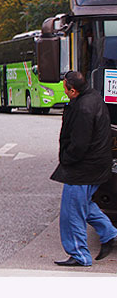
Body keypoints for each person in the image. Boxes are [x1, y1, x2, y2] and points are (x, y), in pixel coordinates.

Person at [51, 70, 117, 267]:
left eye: (65, 88)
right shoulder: (94, 97)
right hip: (96, 165)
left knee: (71, 212)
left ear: (72, 90)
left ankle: (79, 255)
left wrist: (67, 160)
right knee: (83, 205)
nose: (64, 91)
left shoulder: (83, 108)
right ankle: (109, 233)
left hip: (83, 168)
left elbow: (79, 143)